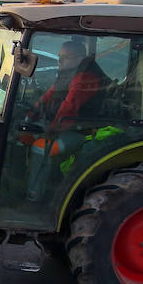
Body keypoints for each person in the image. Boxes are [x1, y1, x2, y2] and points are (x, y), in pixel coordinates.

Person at [21, 39, 109, 200]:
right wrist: (30, 114)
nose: (59, 60)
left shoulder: (85, 78)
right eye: (59, 56)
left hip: (80, 132)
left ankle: (34, 197)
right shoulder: (69, 74)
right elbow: (47, 96)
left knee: (40, 147)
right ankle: (18, 184)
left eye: (65, 57)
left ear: (79, 58)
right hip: (63, 126)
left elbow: (69, 108)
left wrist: (51, 130)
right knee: (21, 137)